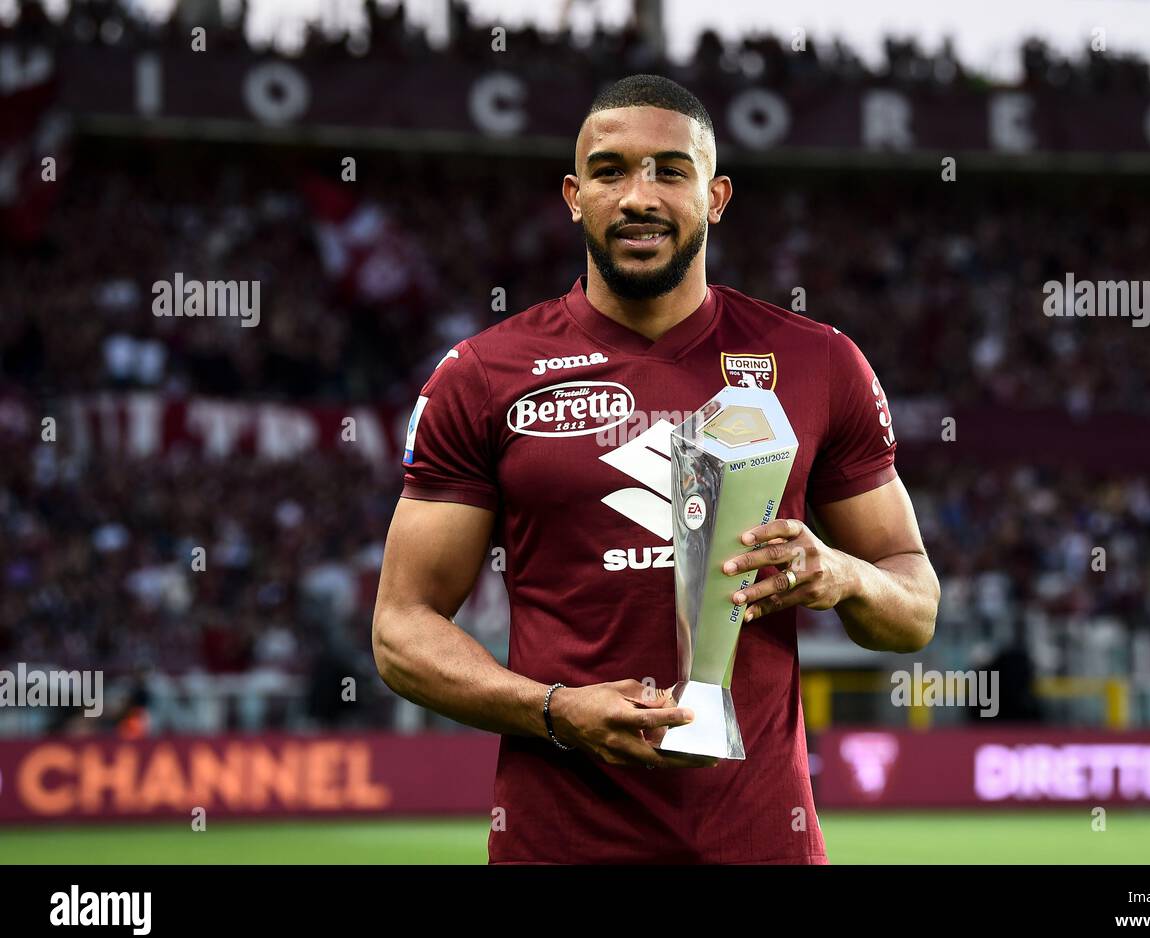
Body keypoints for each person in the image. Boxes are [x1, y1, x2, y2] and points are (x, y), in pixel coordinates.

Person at [372, 74, 940, 864]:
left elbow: (913, 607)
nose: (639, 196)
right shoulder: (482, 375)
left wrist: (841, 573)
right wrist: (553, 707)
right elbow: (401, 630)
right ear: (574, 196)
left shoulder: (819, 363)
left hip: (760, 840)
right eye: (610, 171)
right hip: (558, 841)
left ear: (716, 197)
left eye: (670, 170)